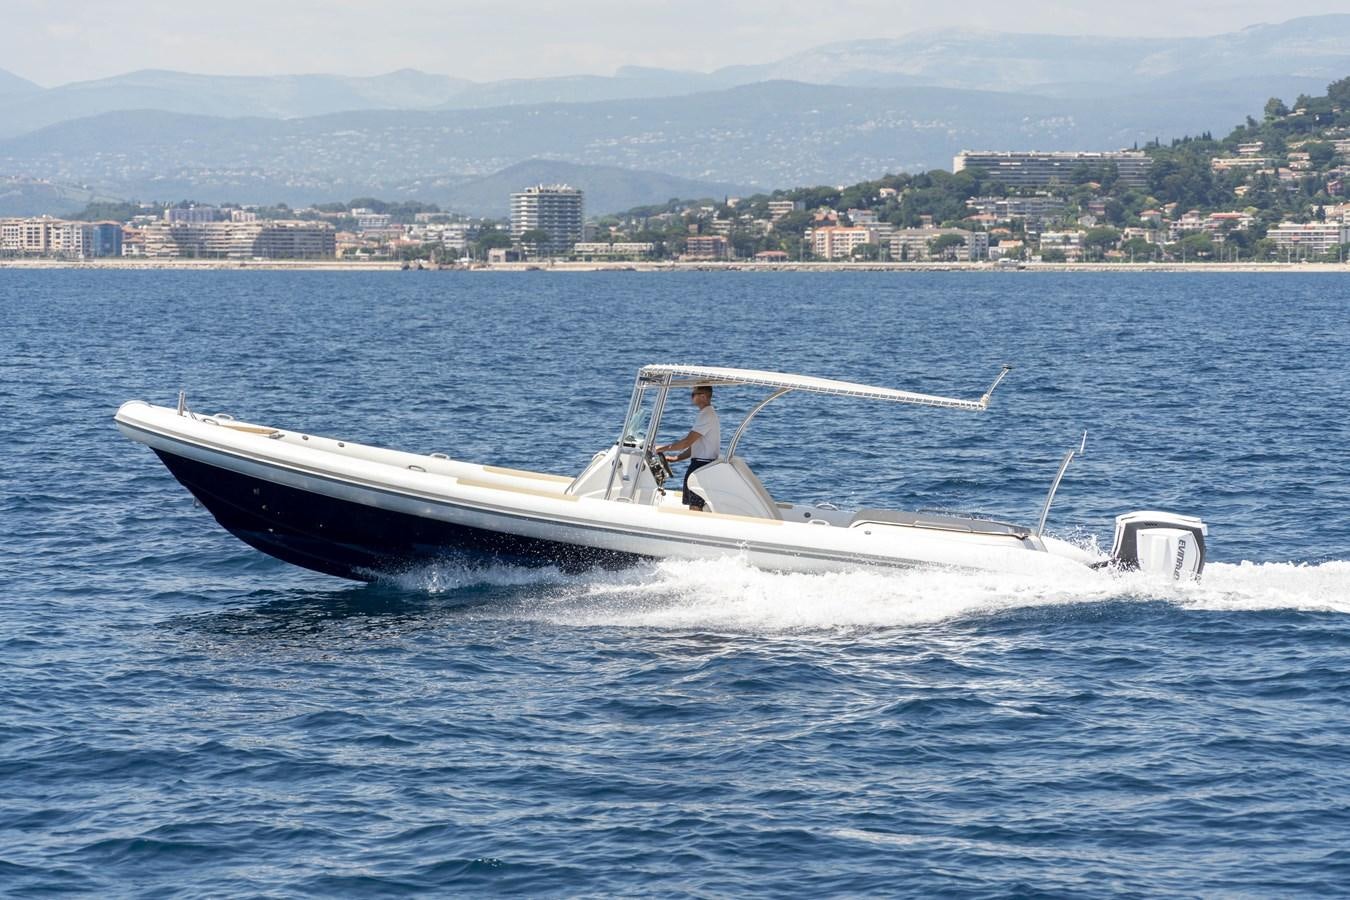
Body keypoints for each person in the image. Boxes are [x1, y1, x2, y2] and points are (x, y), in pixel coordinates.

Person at [655, 385, 720, 511]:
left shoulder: (706, 415)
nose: (691, 397)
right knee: (695, 504)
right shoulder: (706, 414)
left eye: (693, 394)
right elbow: (695, 445)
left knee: (696, 506)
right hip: (701, 464)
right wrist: (676, 458)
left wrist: (661, 448)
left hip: (700, 467)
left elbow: (686, 442)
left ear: (703, 396)